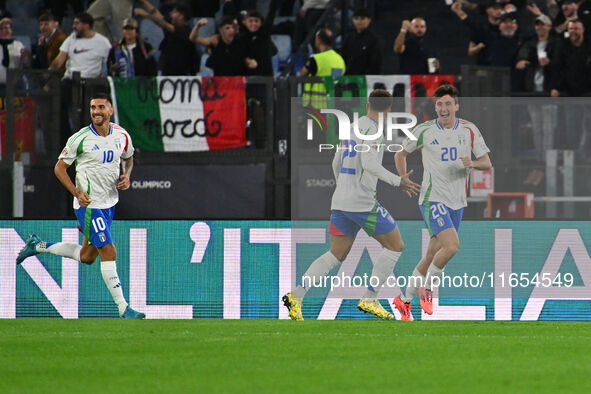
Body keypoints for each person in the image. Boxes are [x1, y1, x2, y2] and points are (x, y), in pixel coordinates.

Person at [283, 89, 422, 321]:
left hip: (341, 200)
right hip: (362, 202)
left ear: (368, 104)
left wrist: (343, 189)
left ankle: (296, 295)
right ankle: (370, 298)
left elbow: (336, 161)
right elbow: (369, 164)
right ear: (388, 110)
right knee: (396, 246)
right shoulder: (374, 130)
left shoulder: (353, 126)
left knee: (335, 254)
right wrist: (398, 181)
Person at [16, 93, 145, 319]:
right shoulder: (80, 138)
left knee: (87, 256)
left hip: (109, 204)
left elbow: (129, 157)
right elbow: (59, 168)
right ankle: (123, 308)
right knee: (109, 250)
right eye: (93, 107)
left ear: (110, 111)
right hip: (89, 206)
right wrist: (77, 192)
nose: (96, 111)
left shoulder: (122, 135)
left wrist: (127, 175)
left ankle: (37, 246)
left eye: (101, 107)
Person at [393, 84, 492, 320]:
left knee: (431, 255)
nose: (443, 108)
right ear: (435, 107)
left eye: (448, 103)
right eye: (439, 104)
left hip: (457, 201)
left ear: (456, 106)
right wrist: (403, 179)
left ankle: (404, 300)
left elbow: (486, 162)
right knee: (452, 246)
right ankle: (427, 290)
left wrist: (472, 164)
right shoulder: (425, 130)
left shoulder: (469, 129)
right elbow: (400, 154)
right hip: (432, 197)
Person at [134, 0, 199, 76]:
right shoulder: (172, 27)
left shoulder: (186, 31)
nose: (170, 14)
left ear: (181, 16)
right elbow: (157, 15)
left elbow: (163, 24)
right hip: (167, 71)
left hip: (182, 74)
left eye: (174, 12)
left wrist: (145, 14)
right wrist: (144, 2)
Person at [301, 28, 346, 108]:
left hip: (315, 105)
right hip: (333, 104)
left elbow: (303, 74)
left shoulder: (316, 59)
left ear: (318, 39)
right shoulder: (340, 59)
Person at [340, 8, 383, 75]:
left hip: (366, 79)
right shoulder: (349, 38)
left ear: (369, 20)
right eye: (356, 18)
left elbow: (375, 63)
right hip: (349, 78)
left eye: (362, 19)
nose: (359, 21)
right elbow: (344, 57)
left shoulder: (374, 40)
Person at [0, 15, 30, 90]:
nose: (4, 31)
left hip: (14, 86)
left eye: (7, 28)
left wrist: (27, 56)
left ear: (11, 30)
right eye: (1, 29)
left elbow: (27, 64)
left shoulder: (18, 45)